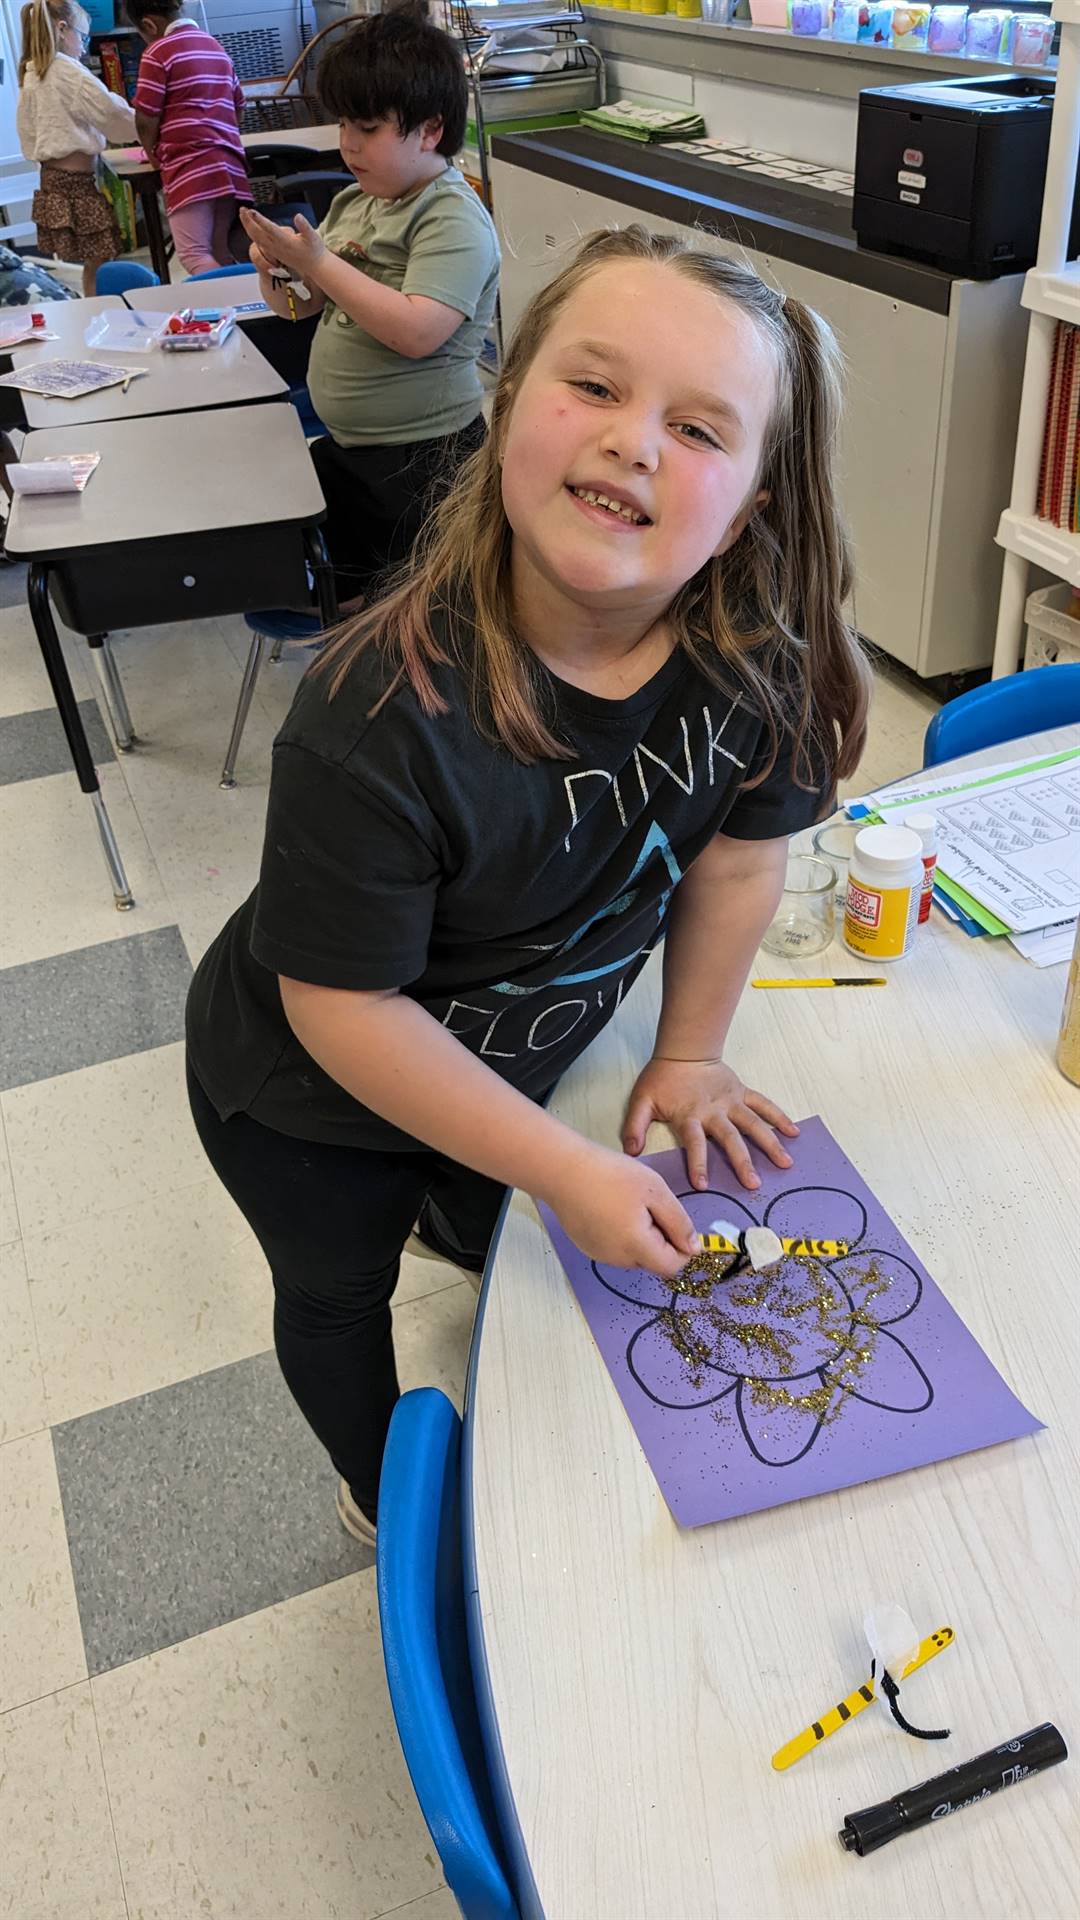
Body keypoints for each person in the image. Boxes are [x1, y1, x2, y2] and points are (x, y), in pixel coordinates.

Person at [185, 226, 871, 1547]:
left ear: (759, 502)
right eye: (596, 389)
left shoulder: (758, 657)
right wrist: (561, 1164)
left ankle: (473, 1202)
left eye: (701, 428)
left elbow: (738, 854)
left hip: (508, 1055)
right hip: (304, 1097)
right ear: (507, 409)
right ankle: (380, 1491)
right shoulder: (374, 708)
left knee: (483, 1195)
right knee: (338, 1291)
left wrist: (691, 1052)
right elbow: (345, 1011)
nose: (634, 443)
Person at [237, 7, 499, 608]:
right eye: (342, 126)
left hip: (422, 461)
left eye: (367, 128)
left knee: (414, 614)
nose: (347, 145)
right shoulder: (358, 200)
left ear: (430, 130)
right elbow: (301, 311)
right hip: (352, 449)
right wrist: (277, 270)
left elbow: (416, 332)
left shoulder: (450, 216)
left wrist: (318, 263)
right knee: (349, 598)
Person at [16, 0, 137, 297]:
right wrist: (144, 124)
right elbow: (110, 112)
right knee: (101, 257)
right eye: (82, 37)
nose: (84, 47)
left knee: (96, 259)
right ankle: (98, 309)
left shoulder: (33, 72)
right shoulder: (67, 71)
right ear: (61, 29)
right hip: (75, 184)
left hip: (53, 179)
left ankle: (93, 307)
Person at [128, 0, 251, 277]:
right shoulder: (214, 46)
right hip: (229, 165)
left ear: (149, 24)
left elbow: (145, 118)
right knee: (219, 250)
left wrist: (153, 155)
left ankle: (231, 303)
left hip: (190, 168)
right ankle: (243, 305)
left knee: (193, 253)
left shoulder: (157, 52)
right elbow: (239, 104)